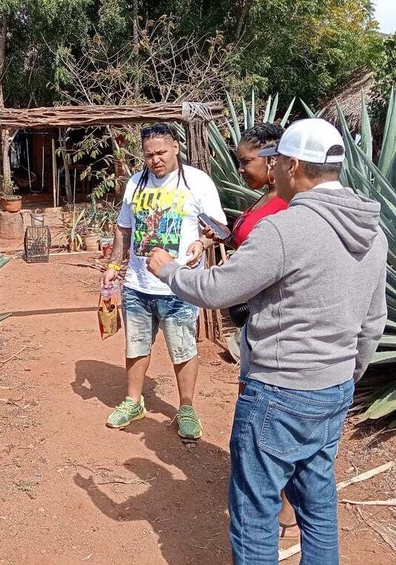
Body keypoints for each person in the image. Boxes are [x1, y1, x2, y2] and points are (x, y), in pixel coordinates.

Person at [146, 118, 388, 564]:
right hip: (333, 389)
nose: (272, 171)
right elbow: (373, 322)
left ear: (293, 165)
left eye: (277, 163)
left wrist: (167, 271)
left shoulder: (284, 229)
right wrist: (344, 377)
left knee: (255, 512)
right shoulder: (372, 230)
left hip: (279, 391)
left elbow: (217, 290)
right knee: (317, 505)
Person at [101, 122, 227, 439]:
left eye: (161, 152)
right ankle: (133, 401)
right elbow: (123, 228)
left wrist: (204, 244)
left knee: (182, 348)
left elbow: (219, 229)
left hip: (180, 284)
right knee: (136, 345)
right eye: (149, 154)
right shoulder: (135, 184)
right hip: (138, 284)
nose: (156, 159)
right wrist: (115, 264)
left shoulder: (198, 183)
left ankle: (186, 408)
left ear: (175, 148)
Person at [205, 123, 299, 539]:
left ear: (273, 159)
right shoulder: (268, 197)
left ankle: (278, 507)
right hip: (256, 319)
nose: (240, 169)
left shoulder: (286, 205)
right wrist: (226, 235)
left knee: (265, 420)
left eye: (245, 161)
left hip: (272, 324)